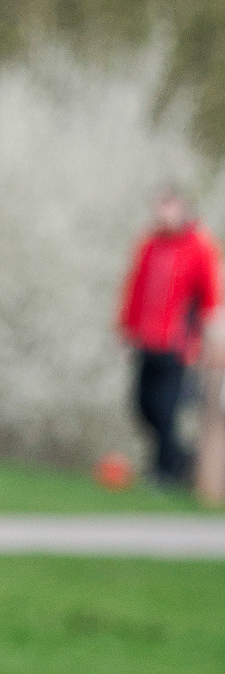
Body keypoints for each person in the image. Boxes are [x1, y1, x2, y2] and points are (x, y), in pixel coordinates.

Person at [117, 186, 222, 484]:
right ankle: (176, 458)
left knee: (166, 409)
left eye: (168, 209)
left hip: (175, 344)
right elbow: (136, 289)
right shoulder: (150, 245)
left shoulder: (198, 247)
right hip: (145, 341)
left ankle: (163, 472)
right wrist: (127, 331)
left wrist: (207, 338)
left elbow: (209, 296)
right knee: (142, 406)